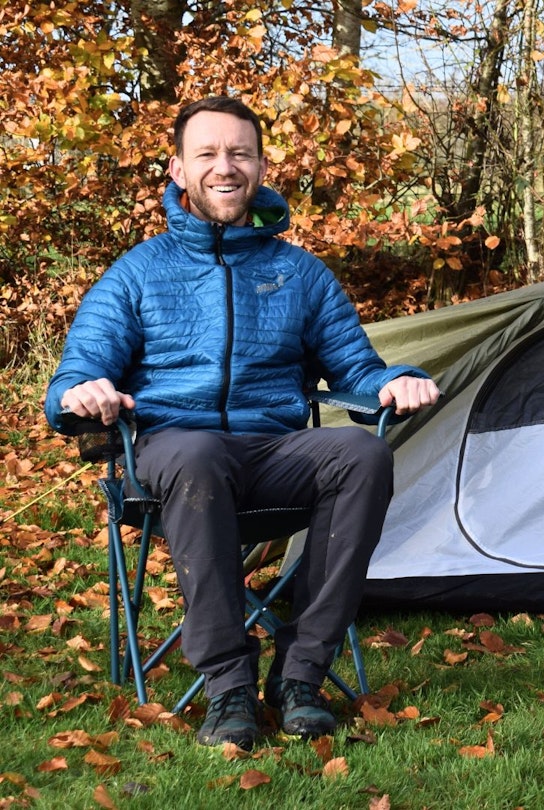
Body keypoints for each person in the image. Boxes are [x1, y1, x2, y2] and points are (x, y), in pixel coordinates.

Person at [44, 96, 441, 750]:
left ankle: (300, 674)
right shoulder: (137, 275)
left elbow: (354, 365)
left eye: (240, 153)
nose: (224, 167)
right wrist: (82, 395)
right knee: (197, 454)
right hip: (174, 457)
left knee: (362, 455)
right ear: (177, 168)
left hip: (272, 453)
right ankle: (228, 685)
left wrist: (389, 380)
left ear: (259, 165)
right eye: (207, 153)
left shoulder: (299, 273)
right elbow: (72, 377)